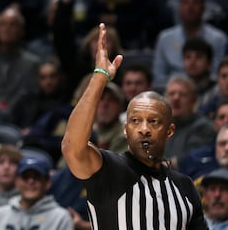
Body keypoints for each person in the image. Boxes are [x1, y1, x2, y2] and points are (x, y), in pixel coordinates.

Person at [62, 23, 208, 229]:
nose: (144, 129)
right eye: (135, 121)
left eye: (154, 121)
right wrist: (100, 77)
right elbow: (72, 146)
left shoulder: (185, 187)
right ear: (125, 128)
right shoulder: (109, 170)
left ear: (170, 131)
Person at [0, 156, 73, 230]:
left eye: (37, 177)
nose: (30, 182)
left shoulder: (60, 217)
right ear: (16, 181)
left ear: (47, 183)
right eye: (25, 177)